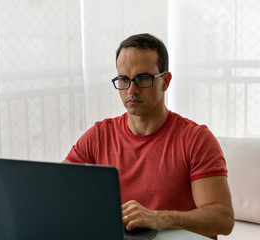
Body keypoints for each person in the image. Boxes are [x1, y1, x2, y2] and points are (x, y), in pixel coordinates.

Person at [62, 33, 234, 239]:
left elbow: (223, 220)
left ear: (165, 81)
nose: (131, 90)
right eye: (124, 79)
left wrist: (160, 217)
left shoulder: (196, 139)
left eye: (143, 79)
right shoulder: (99, 135)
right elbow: (55, 189)